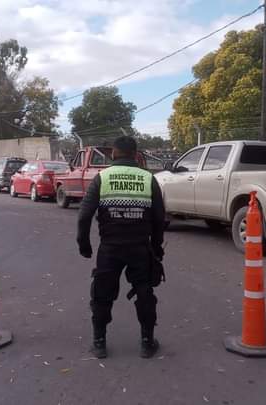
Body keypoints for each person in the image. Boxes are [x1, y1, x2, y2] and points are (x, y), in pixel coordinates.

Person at [77, 136, 166, 359]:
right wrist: (156, 248)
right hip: (139, 248)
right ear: (135, 155)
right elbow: (158, 218)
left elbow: (84, 215)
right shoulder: (148, 179)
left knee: (101, 294)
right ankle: (147, 343)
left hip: (110, 249)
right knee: (145, 293)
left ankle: (99, 343)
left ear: (114, 154)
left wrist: (84, 244)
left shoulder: (102, 178)